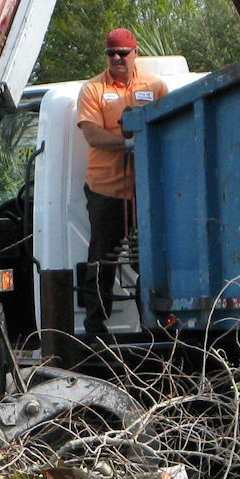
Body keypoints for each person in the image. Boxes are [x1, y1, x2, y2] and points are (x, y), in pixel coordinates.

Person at [76, 28, 168, 334]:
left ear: (135, 53)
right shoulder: (93, 90)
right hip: (106, 190)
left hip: (147, 192)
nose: (117, 58)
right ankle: (95, 328)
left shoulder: (155, 87)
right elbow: (92, 133)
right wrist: (129, 144)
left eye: (122, 53)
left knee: (151, 261)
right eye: (111, 53)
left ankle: (154, 326)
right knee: (102, 260)